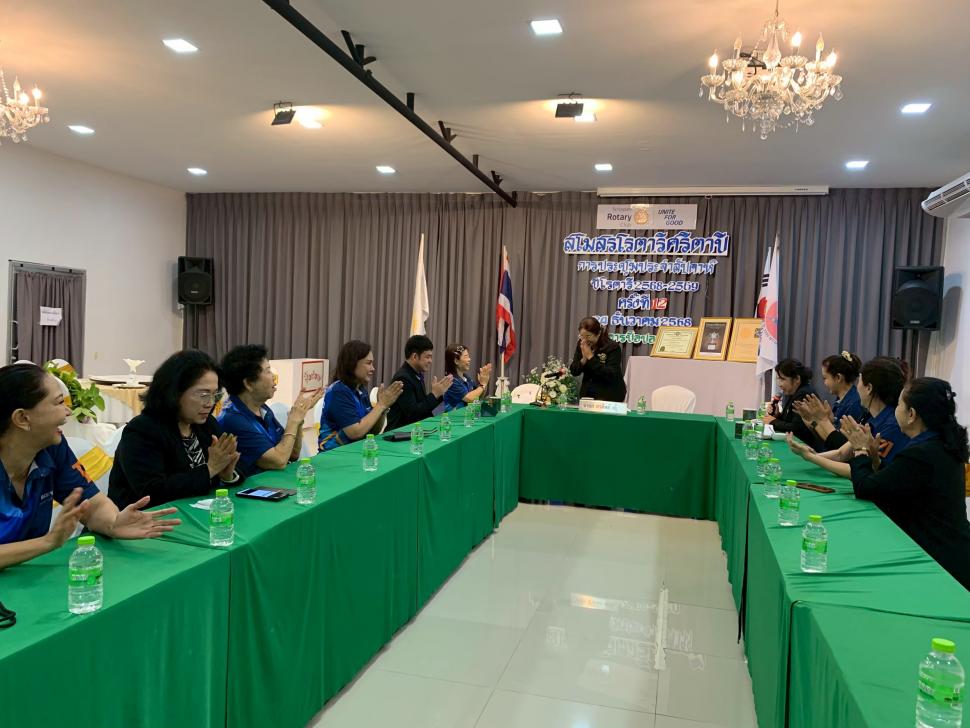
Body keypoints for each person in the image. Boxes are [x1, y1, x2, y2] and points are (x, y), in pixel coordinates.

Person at [0, 363, 180, 569]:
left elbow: (92, 504)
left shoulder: (52, 449)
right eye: (59, 403)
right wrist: (47, 542)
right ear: (22, 418)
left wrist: (113, 523)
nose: (68, 411)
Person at [847, 377, 970, 590]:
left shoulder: (921, 453)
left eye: (899, 404)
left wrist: (860, 450)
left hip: (940, 560)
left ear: (911, 414)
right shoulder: (941, 445)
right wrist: (875, 460)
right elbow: (899, 482)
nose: (896, 409)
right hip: (954, 549)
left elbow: (865, 488)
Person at [109, 350, 246, 510]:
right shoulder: (142, 430)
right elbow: (152, 492)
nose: (210, 403)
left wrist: (227, 475)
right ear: (174, 393)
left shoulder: (206, 424)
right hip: (146, 519)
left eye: (215, 395)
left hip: (197, 513)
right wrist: (210, 469)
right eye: (203, 395)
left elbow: (230, 470)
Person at [787, 357, 909, 478]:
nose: (857, 387)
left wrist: (811, 457)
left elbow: (864, 470)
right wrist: (807, 456)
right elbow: (840, 454)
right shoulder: (871, 418)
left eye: (859, 381)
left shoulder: (892, 426)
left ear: (869, 388)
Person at [217, 345, 323, 475]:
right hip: (252, 486)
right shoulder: (233, 419)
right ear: (249, 383)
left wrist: (299, 418)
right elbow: (278, 461)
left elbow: (292, 454)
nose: (274, 377)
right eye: (268, 371)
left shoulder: (262, 409)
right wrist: (293, 422)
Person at [319, 340, 404, 450]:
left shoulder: (360, 389)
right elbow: (355, 433)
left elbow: (373, 431)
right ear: (352, 363)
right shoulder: (338, 391)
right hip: (334, 454)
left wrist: (383, 409)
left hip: (356, 450)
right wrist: (381, 405)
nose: (373, 368)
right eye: (368, 363)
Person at [385, 335, 453, 431]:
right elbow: (413, 414)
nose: (430, 361)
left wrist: (438, 395)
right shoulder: (403, 378)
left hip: (414, 430)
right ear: (415, 356)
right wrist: (434, 394)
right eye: (427, 357)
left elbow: (423, 406)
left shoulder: (415, 374)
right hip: (399, 433)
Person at [762, 358, 825, 451]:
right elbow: (790, 420)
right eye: (778, 379)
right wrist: (777, 415)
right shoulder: (796, 392)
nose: (779, 384)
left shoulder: (804, 394)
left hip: (809, 449)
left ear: (797, 379)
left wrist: (773, 421)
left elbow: (797, 428)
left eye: (782, 379)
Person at [569, 317, 626, 402]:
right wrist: (584, 359)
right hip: (588, 394)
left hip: (610, 394)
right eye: (582, 336)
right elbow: (574, 371)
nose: (585, 340)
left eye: (588, 336)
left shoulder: (612, 347)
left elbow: (610, 375)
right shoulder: (582, 344)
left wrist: (590, 357)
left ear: (598, 333)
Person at [443, 344, 492, 412]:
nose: (469, 359)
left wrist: (484, 383)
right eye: (466, 356)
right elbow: (470, 398)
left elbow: (477, 397)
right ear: (456, 361)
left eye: (469, 356)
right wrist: (482, 385)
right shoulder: (451, 380)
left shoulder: (466, 378)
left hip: (467, 415)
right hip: (454, 417)